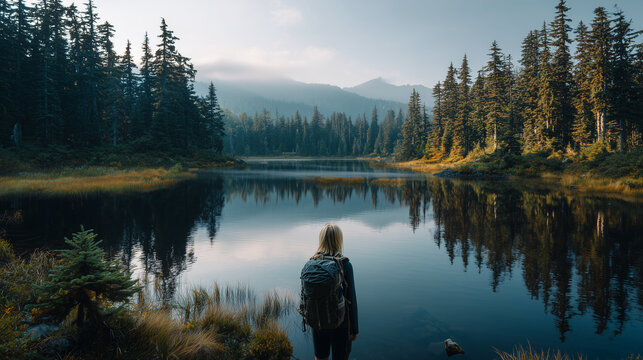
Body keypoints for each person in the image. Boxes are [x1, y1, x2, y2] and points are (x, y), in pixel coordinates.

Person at [310, 223, 358, 360]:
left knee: (320, 357)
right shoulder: (345, 265)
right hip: (341, 323)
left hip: (318, 321)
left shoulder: (313, 263)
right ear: (339, 240)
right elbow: (351, 299)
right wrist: (355, 329)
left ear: (321, 240)